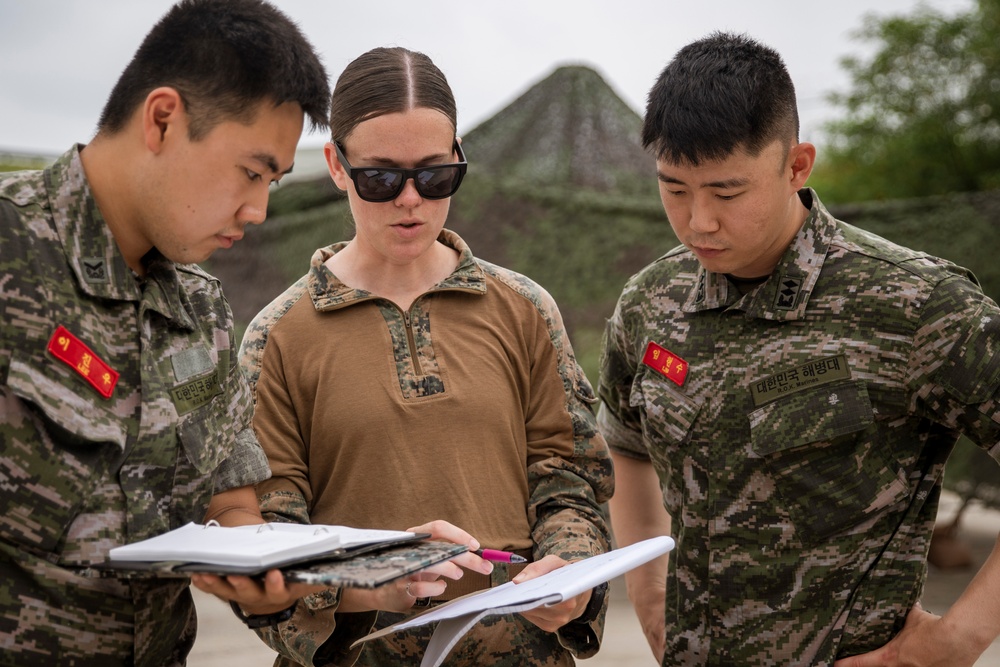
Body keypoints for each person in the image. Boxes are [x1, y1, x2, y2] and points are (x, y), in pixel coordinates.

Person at [597, 31, 1000, 667]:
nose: (698, 220)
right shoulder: (651, 302)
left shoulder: (914, 304)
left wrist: (954, 642)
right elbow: (624, 444)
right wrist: (648, 596)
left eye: (727, 192)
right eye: (674, 189)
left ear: (796, 166)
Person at [238, 46, 615, 667]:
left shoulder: (524, 309)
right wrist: (375, 573)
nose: (410, 199)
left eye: (435, 175)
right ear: (336, 165)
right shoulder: (280, 335)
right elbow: (263, 543)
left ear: (460, 157)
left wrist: (569, 572)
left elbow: (570, 480)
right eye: (381, 178)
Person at [0, 1, 333, 664]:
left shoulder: (202, 313)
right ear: (162, 120)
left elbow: (235, 506)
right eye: (250, 171)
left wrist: (263, 581)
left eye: (272, 181)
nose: (259, 210)